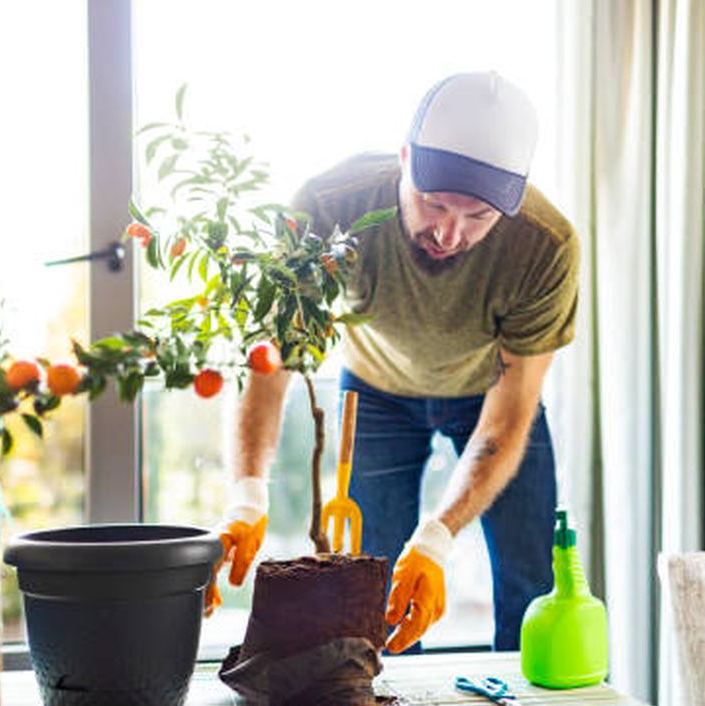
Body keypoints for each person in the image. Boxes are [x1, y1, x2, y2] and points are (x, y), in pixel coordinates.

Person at [209, 71, 579, 655]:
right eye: (433, 204)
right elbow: (272, 355)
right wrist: (248, 493)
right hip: (375, 393)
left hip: (488, 396)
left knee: (530, 577)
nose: (449, 232)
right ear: (404, 160)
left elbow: (512, 409)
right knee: (370, 587)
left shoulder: (546, 244)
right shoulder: (330, 206)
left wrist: (436, 539)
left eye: (477, 217)